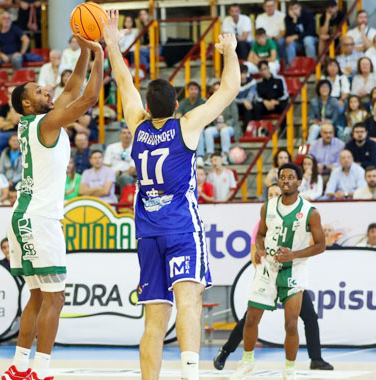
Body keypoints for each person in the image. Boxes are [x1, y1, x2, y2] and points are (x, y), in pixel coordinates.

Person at [104, 10, 239, 379]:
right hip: (181, 228)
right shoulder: (187, 126)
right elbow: (229, 90)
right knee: (189, 303)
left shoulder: (137, 124)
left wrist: (112, 43)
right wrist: (229, 51)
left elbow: (123, 80)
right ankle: (190, 376)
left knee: (154, 318)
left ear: (148, 108)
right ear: (177, 105)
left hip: (148, 232)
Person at [1, 27, 103, 380]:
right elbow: (87, 99)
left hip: (27, 215)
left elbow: (73, 87)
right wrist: (103, 54)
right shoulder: (44, 122)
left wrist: (85, 50)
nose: (47, 89)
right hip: (39, 218)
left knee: (38, 297)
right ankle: (40, 371)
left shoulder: (40, 120)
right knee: (55, 298)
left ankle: (19, 367)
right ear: (28, 104)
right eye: (39, 90)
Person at [214, 174, 330, 372]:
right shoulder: (265, 216)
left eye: (277, 192)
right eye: (272, 193)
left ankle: (314, 359)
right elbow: (255, 249)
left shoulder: (306, 211)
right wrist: (260, 252)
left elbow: (318, 243)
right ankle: (228, 352)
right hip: (269, 271)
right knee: (249, 318)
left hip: (293, 271)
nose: (276, 195)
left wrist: (294, 254)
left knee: (305, 318)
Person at [202, 82, 240, 158]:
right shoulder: (210, 103)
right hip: (216, 126)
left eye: (219, 89)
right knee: (207, 131)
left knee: (224, 131)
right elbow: (208, 120)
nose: (217, 91)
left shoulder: (230, 101)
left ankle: (225, 155)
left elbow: (235, 118)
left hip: (229, 126)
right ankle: (210, 155)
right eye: (215, 90)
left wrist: (225, 125)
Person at [0, 85, 21, 157]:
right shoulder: (4, 107)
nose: (12, 95)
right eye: (10, 93)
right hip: (5, 134)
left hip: (19, 132)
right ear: (7, 95)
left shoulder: (21, 106)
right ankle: (9, 157)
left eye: (14, 93)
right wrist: (12, 122)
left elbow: (15, 120)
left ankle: (16, 157)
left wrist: (11, 106)